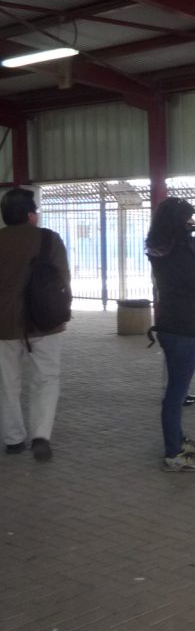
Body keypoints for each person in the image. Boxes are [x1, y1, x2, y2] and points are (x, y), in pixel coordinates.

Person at [146, 196, 195, 472]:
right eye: (188, 219)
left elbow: (190, 276)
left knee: (175, 392)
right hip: (183, 329)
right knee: (175, 395)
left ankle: (178, 440)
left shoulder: (160, 250)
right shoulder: (179, 254)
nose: (192, 224)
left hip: (169, 325)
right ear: (177, 222)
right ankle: (174, 454)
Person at [0, 188, 71, 462]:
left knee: (7, 383)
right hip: (45, 322)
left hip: (3, 326)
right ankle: (41, 436)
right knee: (46, 378)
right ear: (31, 215)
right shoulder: (49, 239)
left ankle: (13, 439)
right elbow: (63, 279)